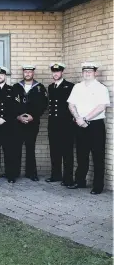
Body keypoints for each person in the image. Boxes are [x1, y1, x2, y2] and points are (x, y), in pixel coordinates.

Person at [67, 62, 110, 195]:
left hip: (95, 125)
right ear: (82, 72)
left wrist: (85, 119)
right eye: (85, 71)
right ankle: (80, 181)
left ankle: (98, 186)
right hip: (79, 124)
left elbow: (101, 106)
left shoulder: (101, 88)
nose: (87, 73)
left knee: (98, 156)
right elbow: (71, 104)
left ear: (95, 73)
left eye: (90, 71)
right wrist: (78, 118)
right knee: (81, 155)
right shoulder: (77, 87)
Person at [11, 65, 48, 182]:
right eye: (25, 72)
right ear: (23, 73)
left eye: (29, 72)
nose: (27, 74)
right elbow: (10, 104)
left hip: (33, 122)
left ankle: (31, 173)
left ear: (33, 73)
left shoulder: (40, 88)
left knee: (30, 147)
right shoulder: (16, 87)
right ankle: (14, 174)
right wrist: (18, 116)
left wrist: (34, 116)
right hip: (18, 122)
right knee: (16, 148)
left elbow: (44, 104)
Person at [46, 63, 75, 186]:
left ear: (62, 72)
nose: (55, 74)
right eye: (53, 72)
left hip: (66, 124)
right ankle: (56, 175)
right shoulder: (51, 87)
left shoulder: (70, 86)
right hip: (53, 123)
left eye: (57, 72)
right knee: (54, 150)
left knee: (67, 151)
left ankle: (68, 178)